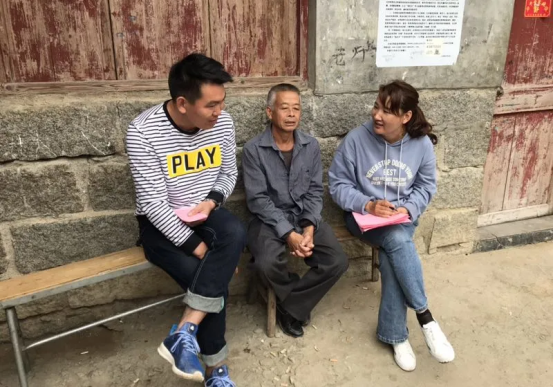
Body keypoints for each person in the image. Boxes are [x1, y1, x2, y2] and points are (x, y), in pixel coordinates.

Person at [126, 53, 245, 386]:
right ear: (182, 103)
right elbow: (153, 205)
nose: (219, 111)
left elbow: (228, 173)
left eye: (222, 102)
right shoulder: (142, 132)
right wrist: (202, 251)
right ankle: (216, 370)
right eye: (211, 105)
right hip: (159, 224)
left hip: (203, 212)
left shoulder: (223, 123)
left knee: (235, 231)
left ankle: (183, 331)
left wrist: (212, 201)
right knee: (206, 276)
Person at [328, 80, 455, 371]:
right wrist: (367, 204)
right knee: (397, 241)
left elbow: (425, 186)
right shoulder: (356, 140)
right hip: (362, 218)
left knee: (392, 250)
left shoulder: (421, 144)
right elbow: (337, 185)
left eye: (387, 111)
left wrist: (407, 208)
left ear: (406, 116)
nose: (377, 115)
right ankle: (425, 317)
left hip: (402, 217)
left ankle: (396, 336)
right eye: (376, 107)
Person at [242, 83, 349, 338]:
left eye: (296, 109)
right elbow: (258, 200)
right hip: (268, 220)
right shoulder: (253, 150)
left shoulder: (310, 146)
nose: (291, 114)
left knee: (337, 261)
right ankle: (295, 300)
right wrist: (289, 234)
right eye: (284, 108)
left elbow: (314, 191)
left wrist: (309, 228)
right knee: (266, 264)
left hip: (303, 215)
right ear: (270, 112)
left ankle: (289, 306)